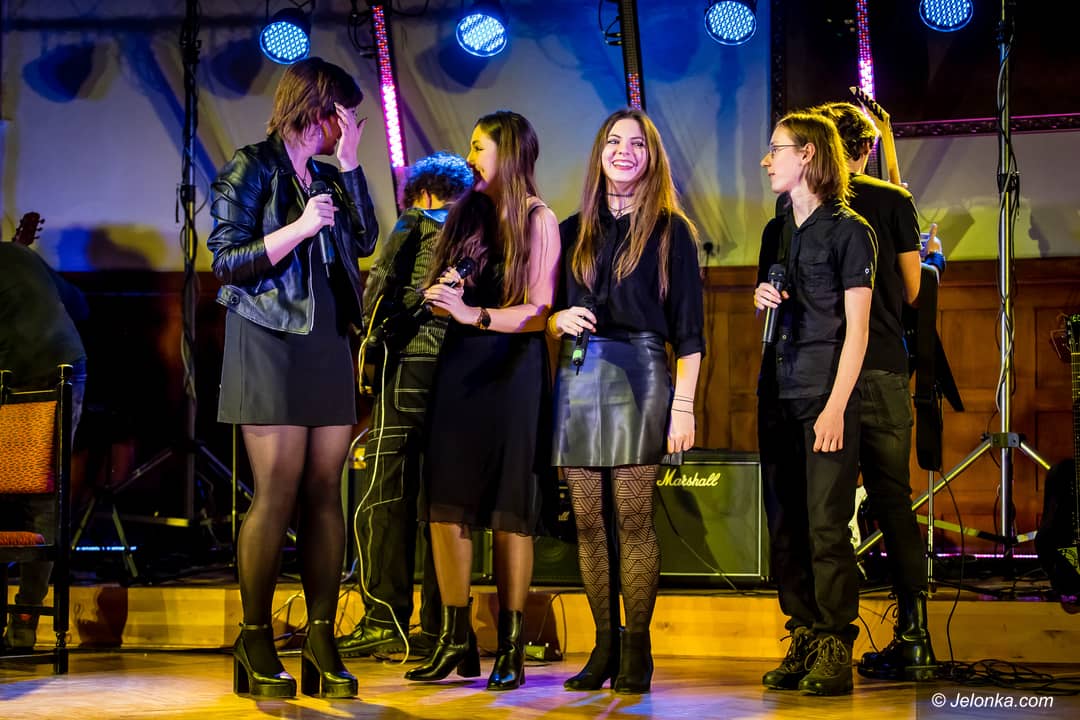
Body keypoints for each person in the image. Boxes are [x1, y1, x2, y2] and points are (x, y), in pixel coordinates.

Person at [206, 57, 378, 699]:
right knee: (276, 491)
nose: (349, 126)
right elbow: (226, 262)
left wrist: (353, 163)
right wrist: (298, 229)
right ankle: (254, 639)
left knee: (325, 492)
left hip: (326, 340)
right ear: (320, 108)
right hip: (269, 338)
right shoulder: (251, 166)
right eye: (346, 115)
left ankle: (321, 641)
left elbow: (365, 239)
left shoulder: (330, 175)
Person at [547, 108, 704, 694]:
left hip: (641, 371)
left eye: (636, 144)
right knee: (589, 522)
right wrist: (557, 319)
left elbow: (690, 333)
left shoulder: (671, 230)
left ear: (651, 157)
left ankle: (637, 648)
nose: (623, 151)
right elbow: (543, 311)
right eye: (614, 141)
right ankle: (603, 647)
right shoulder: (571, 230)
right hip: (578, 375)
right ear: (599, 153)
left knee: (633, 519)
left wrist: (683, 406)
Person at [402, 110, 561, 692]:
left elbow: (539, 311)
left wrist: (474, 314)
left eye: (479, 147)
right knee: (446, 501)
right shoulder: (465, 213)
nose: (469, 157)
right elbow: (451, 290)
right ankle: (455, 636)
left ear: (510, 153)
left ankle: (511, 643)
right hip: (461, 368)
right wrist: (443, 294)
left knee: (510, 509)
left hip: (513, 371)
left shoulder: (539, 219)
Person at [808, 101, 941, 682]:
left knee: (828, 508)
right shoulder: (893, 200)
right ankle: (914, 639)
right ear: (865, 149)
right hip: (883, 366)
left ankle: (828, 637)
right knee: (893, 502)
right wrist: (932, 261)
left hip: (824, 371)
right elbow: (913, 291)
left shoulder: (808, 201)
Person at [754, 112, 876, 696]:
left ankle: (834, 641)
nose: (766, 160)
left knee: (827, 526)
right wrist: (762, 295)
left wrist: (835, 406)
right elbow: (773, 300)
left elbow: (858, 331)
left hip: (825, 395)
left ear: (807, 154)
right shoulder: (776, 229)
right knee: (786, 527)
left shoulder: (850, 231)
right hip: (776, 391)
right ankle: (803, 632)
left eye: (775, 149)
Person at [336, 152, 473, 660]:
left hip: (410, 369)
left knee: (385, 496)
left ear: (422, 192)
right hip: (460, 376)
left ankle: (383, 619)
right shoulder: (479, 233)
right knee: (444, 505)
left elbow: (375, 296)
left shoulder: (415, 222)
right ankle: (440, 627)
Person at [0, 240, 88, 652]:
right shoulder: (17, 254)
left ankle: (22, 619)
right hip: (66, 366)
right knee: (45, 494)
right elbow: (80, 304)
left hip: (25, 376)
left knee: (31, 494)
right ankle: (25, 620)